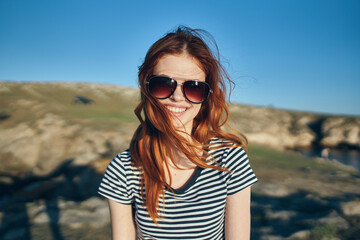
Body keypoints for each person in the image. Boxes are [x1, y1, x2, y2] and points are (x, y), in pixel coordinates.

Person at [98, 26, 258, 240]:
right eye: (164, 84)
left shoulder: (229, 159)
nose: (178, 97)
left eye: (193, 87)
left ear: (206, 96)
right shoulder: (124, 170)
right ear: (146, 87)